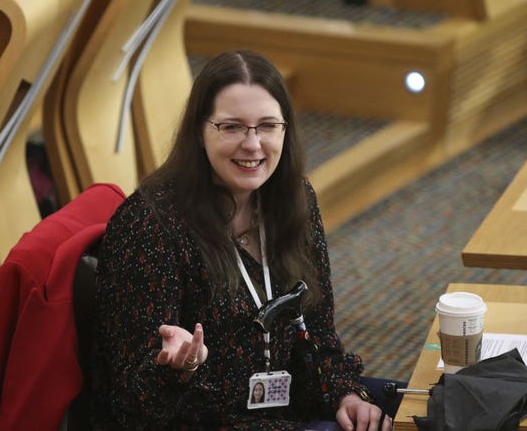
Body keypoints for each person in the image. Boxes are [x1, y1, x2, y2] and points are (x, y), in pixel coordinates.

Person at [91, 50, 397, 430]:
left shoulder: (294, 200)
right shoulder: (150, 226)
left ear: (285, 130)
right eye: (232, 127)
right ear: (200, 132)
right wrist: (178, 369)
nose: (253, 145)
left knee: (422, 409)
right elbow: (132, 405)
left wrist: (345, 394)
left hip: (285, 409)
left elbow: (317, 333)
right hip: (204, 422)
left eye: (267, 126)